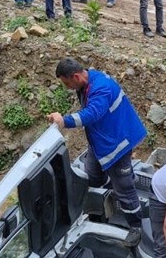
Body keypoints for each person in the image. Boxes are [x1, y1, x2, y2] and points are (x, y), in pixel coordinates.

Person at [47, 58, 147, 226]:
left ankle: (136, 226)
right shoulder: (87, 84)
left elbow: (93, 114)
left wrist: (64, 121)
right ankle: (103, 207)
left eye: (67, 83)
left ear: (76, 77)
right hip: (100, 143)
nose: (67, 88)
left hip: (117, 145)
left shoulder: (101, 87)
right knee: (93, 177)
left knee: (125, 190)